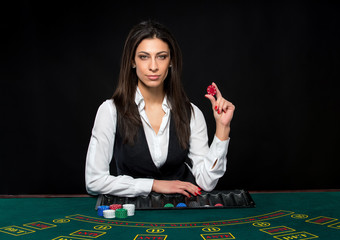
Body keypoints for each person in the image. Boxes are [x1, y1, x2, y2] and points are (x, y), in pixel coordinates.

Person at [85, 20, 235, 198]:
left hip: (182, 212)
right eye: (144, 56)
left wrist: (223, 128)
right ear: (132, 61)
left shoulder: (192, 113)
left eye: (161, 56)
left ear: (171, 61)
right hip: (133, 213)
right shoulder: (110, 111)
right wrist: (154, 185)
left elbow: (206, 182)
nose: (153, 66)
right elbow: (93, 182)